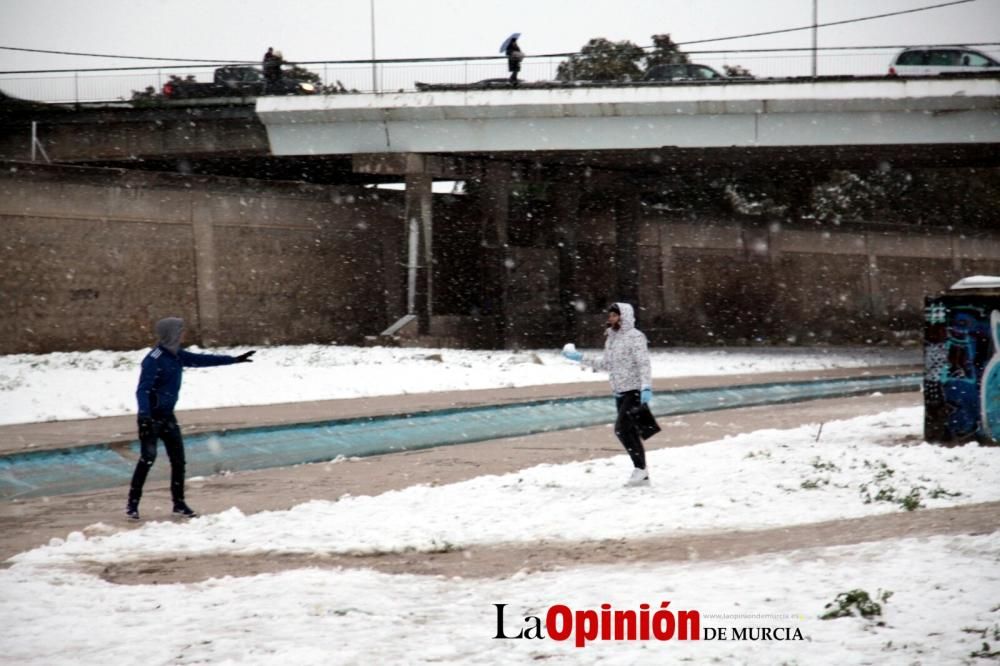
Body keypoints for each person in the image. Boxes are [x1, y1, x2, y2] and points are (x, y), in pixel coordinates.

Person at [126, 317, 255, 520]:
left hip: (168, 417)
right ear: (171, 333)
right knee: (147, 460)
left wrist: (234, 359)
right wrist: (144, 417)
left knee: (178, 461)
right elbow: (143, 390)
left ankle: (179, 504)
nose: (184, 333)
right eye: (181, 330)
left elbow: (203, 360)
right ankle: (132, 505)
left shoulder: (177, 355)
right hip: (151, 418)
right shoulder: (154, 358)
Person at [562, 302, 653, 486]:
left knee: (622, 429)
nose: (610, 318)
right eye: (610, 315)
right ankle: (641, 473)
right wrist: (580, 357)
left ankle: (640, 470)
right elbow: (606, 365)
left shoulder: (635, 337)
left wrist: (646, 386)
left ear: (624, 316)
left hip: (633, 391)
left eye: (614, 315)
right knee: (631, 432)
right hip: (619, 392)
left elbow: (643, 363)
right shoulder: (611, 338)